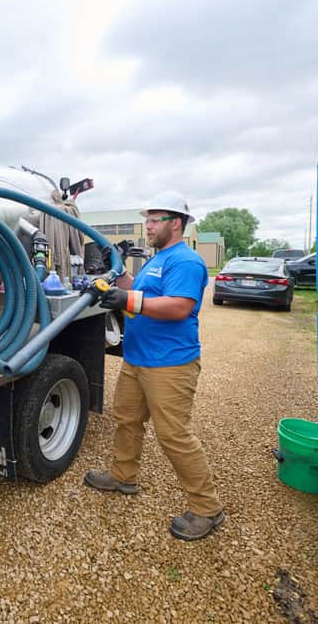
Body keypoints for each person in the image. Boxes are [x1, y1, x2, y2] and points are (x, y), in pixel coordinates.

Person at [84, 190, 224, 541]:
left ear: (175, 223)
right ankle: (122, 476)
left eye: (154, 220)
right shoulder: (157, 258)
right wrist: (114, 274)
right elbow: (140, 291)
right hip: (137, 359)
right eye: (147, 219)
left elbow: (178, 306)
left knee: (174, 434)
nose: (147, 226)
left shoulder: (186, 261)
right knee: (127, 419)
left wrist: (129, 298)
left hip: (170, 365)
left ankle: (207, 508)